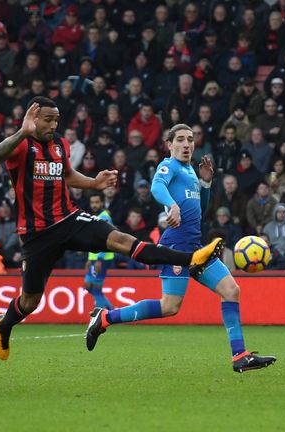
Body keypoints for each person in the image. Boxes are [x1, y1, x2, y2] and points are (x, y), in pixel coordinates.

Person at [0, 98, 223, 361]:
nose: (53, 124)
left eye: (56, 119)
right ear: (34, 117)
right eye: (48, 119)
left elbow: (66, 175)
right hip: (37, 234)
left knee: (122, 240)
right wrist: (22, 131)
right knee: (29, 302)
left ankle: (192, 258)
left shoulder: (59, 145)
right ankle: (5, 325)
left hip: (69, 219)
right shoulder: (23, 144)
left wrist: (94, 183)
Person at [85, 124, 275, 372]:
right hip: (175, 245)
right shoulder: (169, 166)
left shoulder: (190, 172)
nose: (187, 144)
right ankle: (105, 318)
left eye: (190, 140)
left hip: (196, 247)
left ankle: (240, 356)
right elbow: (156, 186)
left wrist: (205, 183)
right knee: (169, 307)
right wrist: (171, 205)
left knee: (231, 290)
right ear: (170, 144)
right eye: (181, 140)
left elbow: (200, 209)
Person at [83, 193, 114, 310]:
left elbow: (105, 239)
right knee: (88, 286)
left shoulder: (104, 217)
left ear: (101, 203)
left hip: (102, 258)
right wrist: (89, 259)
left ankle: (101, 312)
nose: (94, 205)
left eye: (97, 202)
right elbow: (93, 239)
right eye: (92, 203)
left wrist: (99, 259)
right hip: (94, 258)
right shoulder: (93, 217)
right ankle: (110, 309)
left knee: (95, 288)